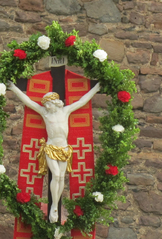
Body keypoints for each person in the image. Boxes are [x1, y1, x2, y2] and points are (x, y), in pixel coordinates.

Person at [7, 81, 101, 223]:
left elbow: (82, 101)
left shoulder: (65, 111)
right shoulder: (45, 113)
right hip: (50, 148)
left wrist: (95, 89)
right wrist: (14, 88)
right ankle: (54, 207)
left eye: (48, 104)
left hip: (64, 148)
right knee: (55, 175)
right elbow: (28, 101)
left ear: (55, 102)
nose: (46, 107)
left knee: (61, 177)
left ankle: (56, 205)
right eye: (45, 105)